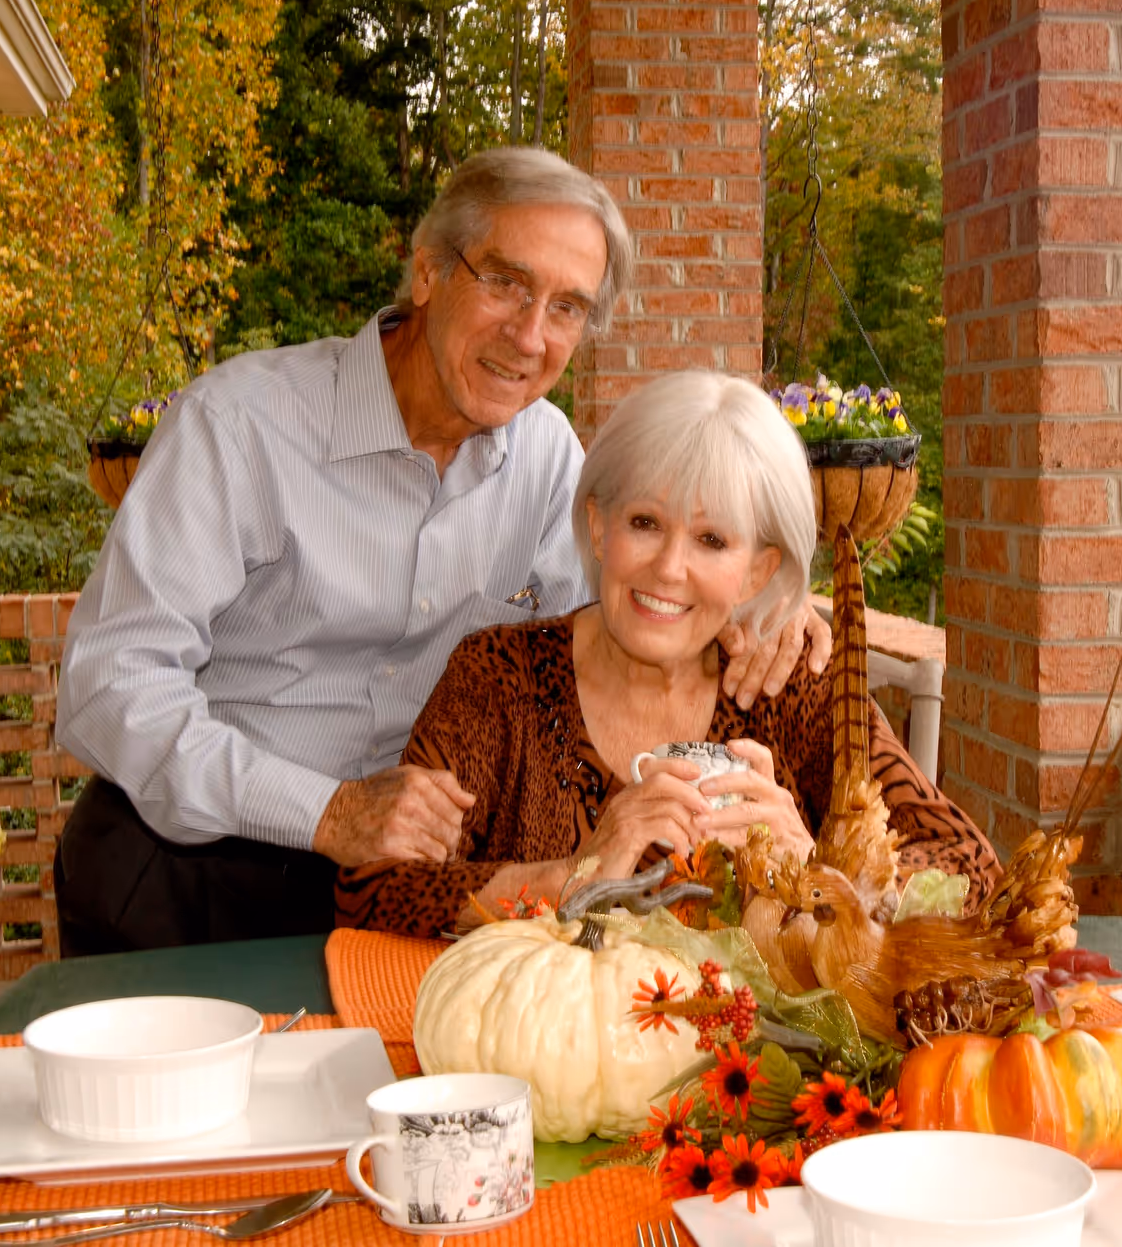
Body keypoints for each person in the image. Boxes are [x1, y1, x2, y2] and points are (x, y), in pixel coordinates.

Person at [54, 149, 829, 955]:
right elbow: (110, 683)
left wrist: (765, 611)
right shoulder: (239, 426)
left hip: (399, 899)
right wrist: (327, 811)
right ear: (427, 271)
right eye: (505, 282)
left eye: (567, 307)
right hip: (187, 875)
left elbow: (621, 625)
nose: (530, 335)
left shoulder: (550, 461)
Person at [333, 371, 1001, 938]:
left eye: (712, 540)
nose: (669, 568)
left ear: (756, 571)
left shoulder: (786, 686)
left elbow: (974, 873)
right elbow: (372, 889)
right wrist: (577, 874)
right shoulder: (498, 678)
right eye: (645, 523)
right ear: (598, 525)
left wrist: (823, 872)